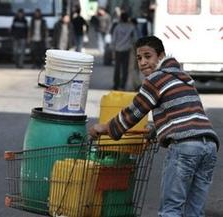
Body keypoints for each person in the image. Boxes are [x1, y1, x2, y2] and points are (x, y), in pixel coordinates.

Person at [89, 36, 219, 217]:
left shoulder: (156, 79)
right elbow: (181, 111)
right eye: (139, 58)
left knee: (171, 209)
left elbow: (134, 111)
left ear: (161, 56)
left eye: (147, 56)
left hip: (184, 145)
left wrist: (106, 128)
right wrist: (156, 131)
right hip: (209, 146)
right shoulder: (184, 78)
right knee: (195, 211)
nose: (143, 63)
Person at [111, 12, 137, 90]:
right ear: (127, 18)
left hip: (118, 50)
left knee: (117, 68)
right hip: (127, 50)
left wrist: (113, 49)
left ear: (121, 18)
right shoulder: (131, 27)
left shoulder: (117, 27)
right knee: (125, 69)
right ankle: (123, 85)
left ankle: (116, 85)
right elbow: (135, 39)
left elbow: (113, 39)